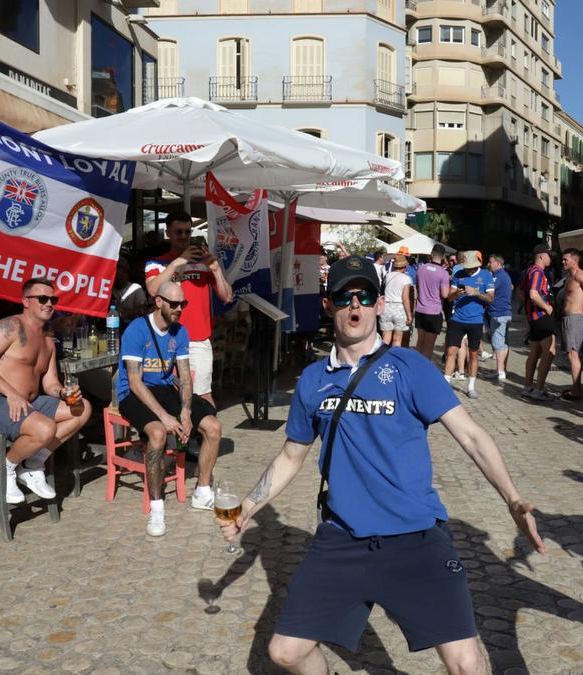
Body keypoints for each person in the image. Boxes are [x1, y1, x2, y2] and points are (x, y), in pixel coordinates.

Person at [219, 255, 544, 674]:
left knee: (466, 663)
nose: (354, 306)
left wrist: (513, 499)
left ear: (377, 304)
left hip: (416, 538)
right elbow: (290, 456)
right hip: (343, 538)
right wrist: (248, 507)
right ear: (328, 305)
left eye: (365, 295)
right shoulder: (314, 380)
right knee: (286, 651)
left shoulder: (409, 367)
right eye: (343, 297)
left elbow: (472, 436)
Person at [0, 278, 93, 505]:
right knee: (45, 428)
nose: (49, 304)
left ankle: (33, 463)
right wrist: (11, 393)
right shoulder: (9, 326)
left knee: (81, 410)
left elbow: (50, 383)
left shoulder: (48, 341)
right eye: (42, 298)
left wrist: (64, 393)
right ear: (25, 301)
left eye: (53, 299)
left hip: (25, 403)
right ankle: (3, 470)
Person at [119, 281, 224, 534]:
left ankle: (202, 490)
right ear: (158, 302)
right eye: (174, 304)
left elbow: (185, 376)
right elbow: (134, 381)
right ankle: (157, 509)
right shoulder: (136, 330)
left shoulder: (181, 332)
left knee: (213, 426)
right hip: (134, 393)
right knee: (157, 433)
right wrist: (165, 417)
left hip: (166, 389)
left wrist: (186, 411)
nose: (179, 308)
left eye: (182, 304)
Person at [145, 211, 234, 406]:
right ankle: (183, 434)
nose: (184, 236)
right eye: (179, 232)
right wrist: (178, 262)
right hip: (165, 340)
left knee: (202, 395)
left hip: (197, 340)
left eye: (187, 232)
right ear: (168, 233)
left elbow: (227, 296)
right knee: (170, 392)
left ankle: (209, 434)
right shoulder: (156, 263)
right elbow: (152, 289)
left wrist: (216, 270)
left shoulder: (202, 263)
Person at [443, 251, 494, 399]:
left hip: (476, 321)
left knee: (473, 354)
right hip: (457, 319)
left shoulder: (486, 276)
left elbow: (491, 298)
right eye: (467, 267)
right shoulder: (458, 274)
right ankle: (446, 384)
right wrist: (456, 294)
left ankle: (471, 387)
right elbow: (449, 298)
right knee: (451, 351)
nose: (469, 270)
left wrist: (476, 293)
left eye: (471, 268)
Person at [558, 248, 583, 401]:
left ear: (575, 260)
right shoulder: (570, 276)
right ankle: (576, 387)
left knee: (573, 354)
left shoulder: (580, 275)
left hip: (575, 319)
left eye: (565, 259)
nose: (563, 262)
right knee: (571, 354)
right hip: (569, 319)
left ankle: (577, 391)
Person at [522, 244, 557, 401]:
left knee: (534, 352)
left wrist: (528, 310)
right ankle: (539, 389)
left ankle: (528, 386)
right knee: (549, 352)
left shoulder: (528, 271)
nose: (551, 258)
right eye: (549, 255)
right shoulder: (537, 272)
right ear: (542, 256)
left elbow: (520, 291)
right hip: (541, 316)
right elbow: (532, 293)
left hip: (533, 318)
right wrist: (546, 307)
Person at [413, 244, 451, 359]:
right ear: (443, 257)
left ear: (432, 253)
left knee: (420, 342)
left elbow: (418, 288)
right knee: (429, 346)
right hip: (433, 312)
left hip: (420, 310)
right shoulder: (443, 273)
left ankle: (416, 367)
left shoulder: (421, 269)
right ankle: (424, 370)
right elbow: (444, 294)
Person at [485, 253, 514, 384]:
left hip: (499, 314)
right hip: (504, 313)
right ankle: (501, 369)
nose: (488, 264)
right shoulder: (504, 275)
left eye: (490, 262)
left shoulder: (498, 276)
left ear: (497, 263)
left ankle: (501, 371)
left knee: (498, 343)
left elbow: (488, 291)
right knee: (504, 343)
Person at [379, 253, 414, 346]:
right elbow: (405, 298)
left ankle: (382, 357)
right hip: (399, 308)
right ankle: (394, 359)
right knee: (397, 339)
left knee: (385, 338)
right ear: (404, 266)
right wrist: (409, 315)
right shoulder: (406, 278)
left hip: (386, 307)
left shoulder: (387, 276)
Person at [113, 256, 149, 322]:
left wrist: (126, 313)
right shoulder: (109, 288)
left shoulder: (135, 288)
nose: (118, 278)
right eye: (116, 275)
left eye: (121, 275)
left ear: (127, 274)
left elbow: (143, 309)